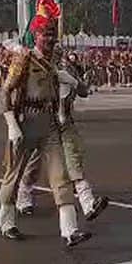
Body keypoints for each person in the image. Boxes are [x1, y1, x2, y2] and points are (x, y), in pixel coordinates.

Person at [0, 0, 91, 247]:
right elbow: (6, 91)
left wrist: (69, 83)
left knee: (60, 175)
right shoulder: (24, 59)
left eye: (52, 35)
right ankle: (7, 221)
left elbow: (62, 89)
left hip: (48, 125)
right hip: (26, 122)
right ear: (35, 35)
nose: (49, 39)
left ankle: (70, 230)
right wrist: (12, 125)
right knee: (13, 176)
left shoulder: (51, 64)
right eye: (45, 34)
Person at [15, 49, 110, 222]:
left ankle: (88, 203)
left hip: (65, 125)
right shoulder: (40, 76)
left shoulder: (65, 75)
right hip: (45, 125)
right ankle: (24, 195)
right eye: (54, 58)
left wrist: (73, 81)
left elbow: (84, 92)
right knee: (34, 164)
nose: (58, 62)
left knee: (74, 161)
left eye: (60, 58)